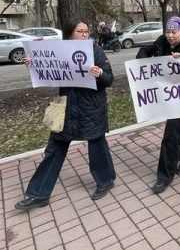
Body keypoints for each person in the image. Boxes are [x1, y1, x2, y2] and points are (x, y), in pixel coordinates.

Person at [15, 18, 116, 211]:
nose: (85, 35)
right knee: (54, 149)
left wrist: (99, 74)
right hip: (67, 108)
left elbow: (109, 79)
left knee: (97, 145)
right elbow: (49, 72)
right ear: (70, 34)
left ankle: (106, 180)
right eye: (80, 31)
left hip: (91, 108)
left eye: (87, 31)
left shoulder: (96, 51)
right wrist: (34, 64)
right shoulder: (59, 51)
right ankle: (39, 194)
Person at [136, 16, 180, 194]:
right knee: (179, 129)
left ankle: (164, 176)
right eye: (168, 32)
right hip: (167, 96)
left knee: (171, 134)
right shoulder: (160, 43)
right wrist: (146, 63)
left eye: (174, 32)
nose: (170, 36)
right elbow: (142, 52)